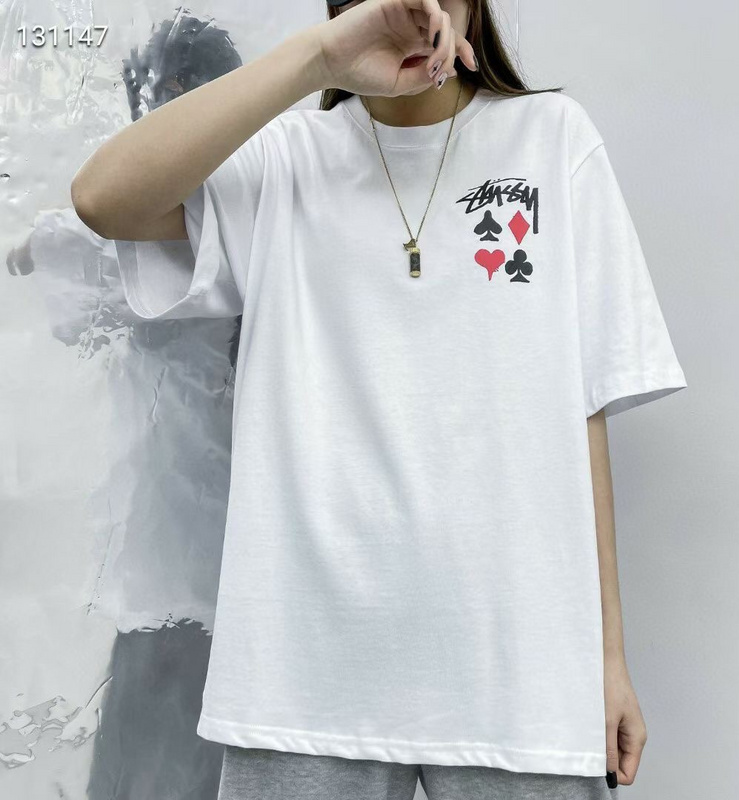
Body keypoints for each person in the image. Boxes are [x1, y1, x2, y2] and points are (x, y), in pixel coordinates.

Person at [71, 0, 688, 798]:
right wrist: (320, 60)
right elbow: (103, 198)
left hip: (520, 677)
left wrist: (607, 661)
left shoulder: (553, 140)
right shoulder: (287, 160)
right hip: (304, 682)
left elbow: (585, 406)